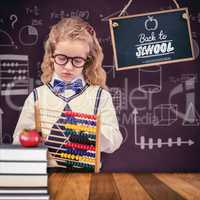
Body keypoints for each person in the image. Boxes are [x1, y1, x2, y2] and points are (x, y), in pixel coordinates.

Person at [13, 17, 123, 169]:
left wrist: (86, 132)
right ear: (52, 56)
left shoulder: (100, 97)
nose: (68, 67)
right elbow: (18, 141)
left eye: (77, 60)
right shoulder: (37, 96)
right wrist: (34, 142)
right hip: (46, 176)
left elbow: (115, 141)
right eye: (61, 58)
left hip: (87, 179)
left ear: (88, 61)